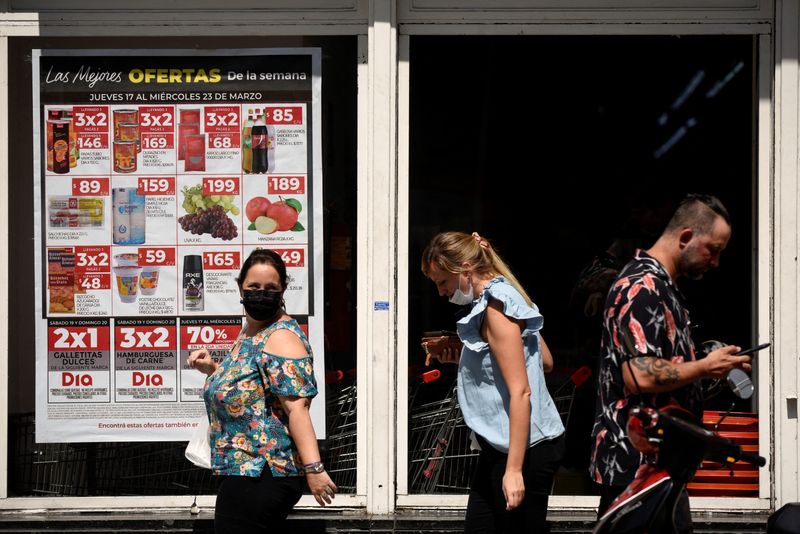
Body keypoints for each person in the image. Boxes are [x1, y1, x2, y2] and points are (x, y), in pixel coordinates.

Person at [589, 194, 752, 530]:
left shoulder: (665, 289)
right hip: (634, 472)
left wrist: (707, 375)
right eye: (714, 249)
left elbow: (663, 385)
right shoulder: (639, 287)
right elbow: (639, 375)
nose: (716, 262)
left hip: (664, 469)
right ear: (686, 237)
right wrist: (706, 366)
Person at [421, 231, 565, 533]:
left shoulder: (496, 307)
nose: (441, 292)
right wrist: (466, 357)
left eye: (442, 282)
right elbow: (544, 361)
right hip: (503, 444)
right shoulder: (502, 296)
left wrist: (514, 471)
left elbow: (521, 391)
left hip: (523, 447)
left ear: (464, 269)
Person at [187, 249, 336, 533]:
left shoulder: (281, 338)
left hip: (262, 472)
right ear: (240, 287)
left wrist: (314, 469)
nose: (261, 294)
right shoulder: (251, 332)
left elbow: (297, 408)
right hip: (243, 470)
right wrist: (214, 370)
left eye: (270, 288)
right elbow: (253, 390)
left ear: (283, 290)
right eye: (254, 287)